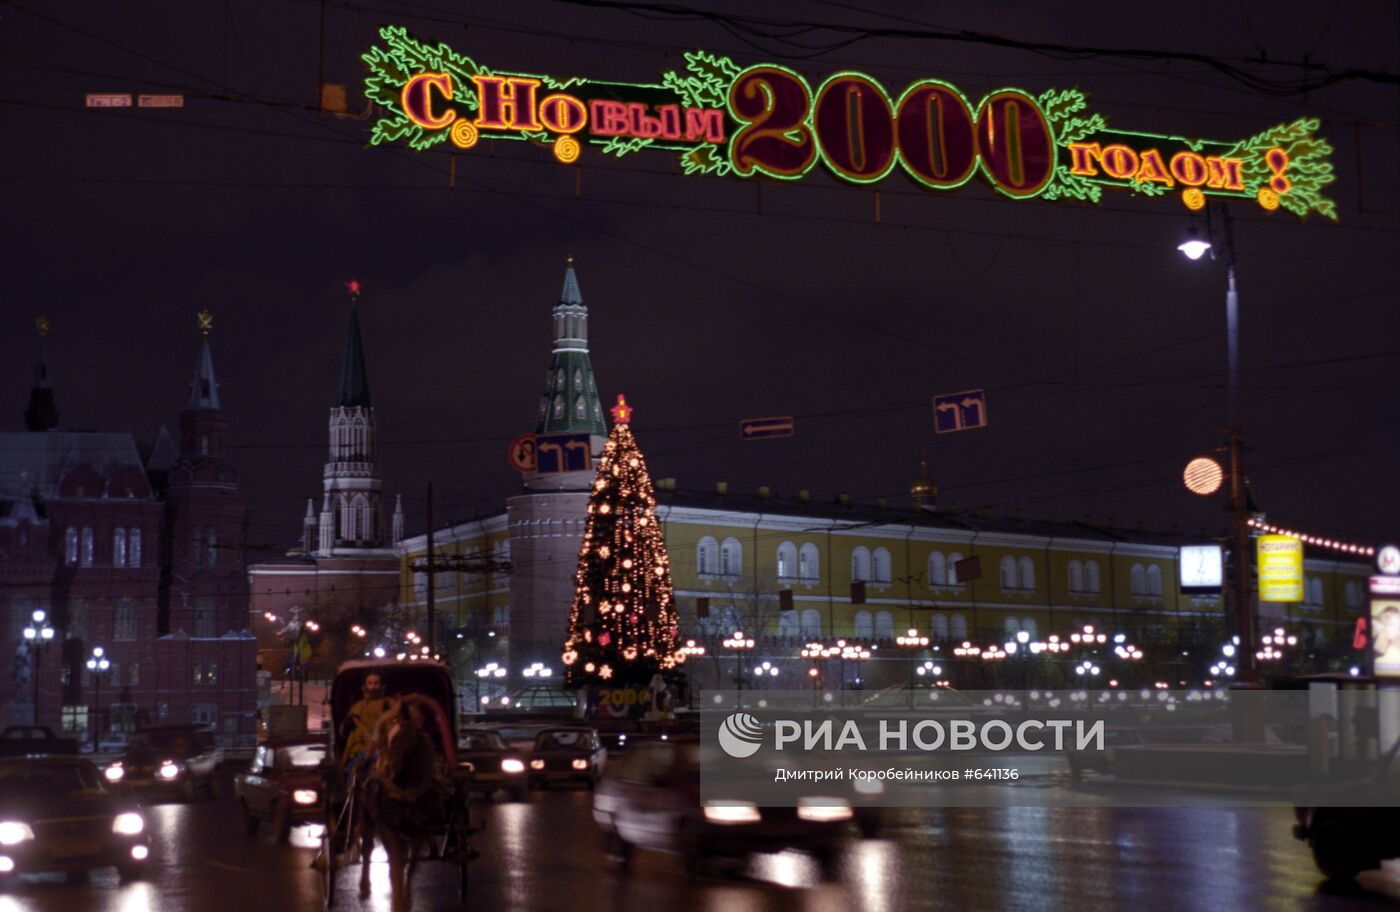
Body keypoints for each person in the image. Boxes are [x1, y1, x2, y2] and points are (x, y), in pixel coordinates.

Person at [341, 672, 391, 772]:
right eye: (370, 683)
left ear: (381, 685)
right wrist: (346, 726)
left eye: (376, 683)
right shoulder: (358, 705)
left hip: (382, 747)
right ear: (365, 685)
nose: (373, 686)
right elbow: (343, 731)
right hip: (359, 748)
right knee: (354, 770)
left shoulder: (389, 703)